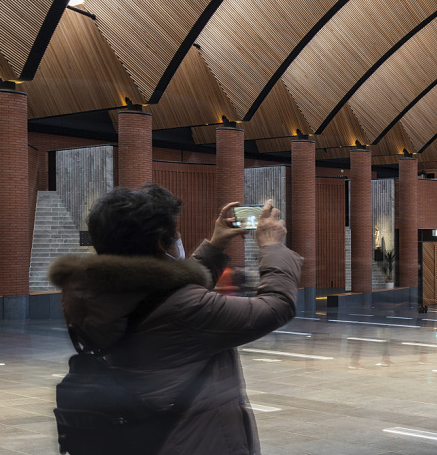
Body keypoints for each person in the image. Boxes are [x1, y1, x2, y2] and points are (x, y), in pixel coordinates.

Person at [49, 184, 302, 454]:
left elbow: (163, 294)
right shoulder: (184, 309)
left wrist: (216, 246)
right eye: (175, 232)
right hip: (191, 440)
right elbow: (277, 306)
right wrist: (272, 247)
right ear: (161, 242)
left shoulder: (98, 293)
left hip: (142, 433)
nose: (179, 236)